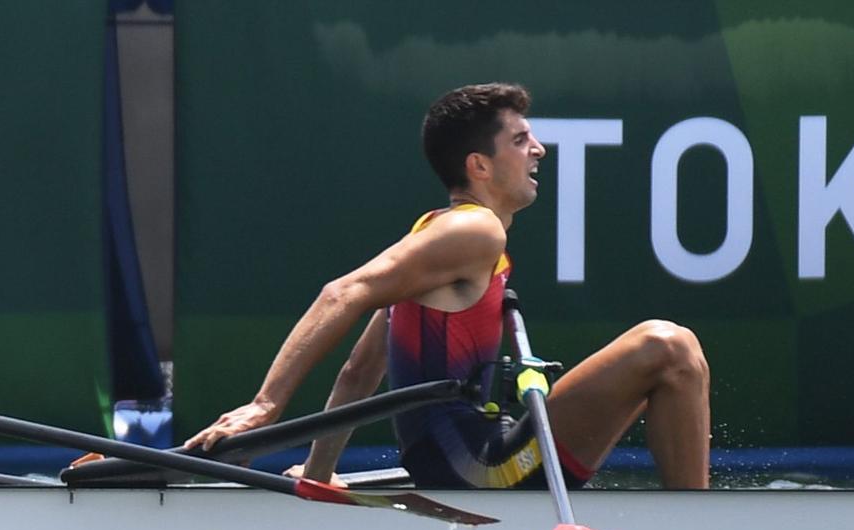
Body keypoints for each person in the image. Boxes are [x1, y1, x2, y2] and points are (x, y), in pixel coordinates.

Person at [186, 82, 710, 490]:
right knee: (668, 346)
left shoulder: (434, 235)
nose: (540, 150)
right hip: (479, 466)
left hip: (453, 459)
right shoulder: (472, 230)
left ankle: (679, 516)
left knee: (657, 364)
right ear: (479, 165)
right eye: (520, 140)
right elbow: (341, 293)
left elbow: (360, 370)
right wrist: (265, 406)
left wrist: (318, 475)